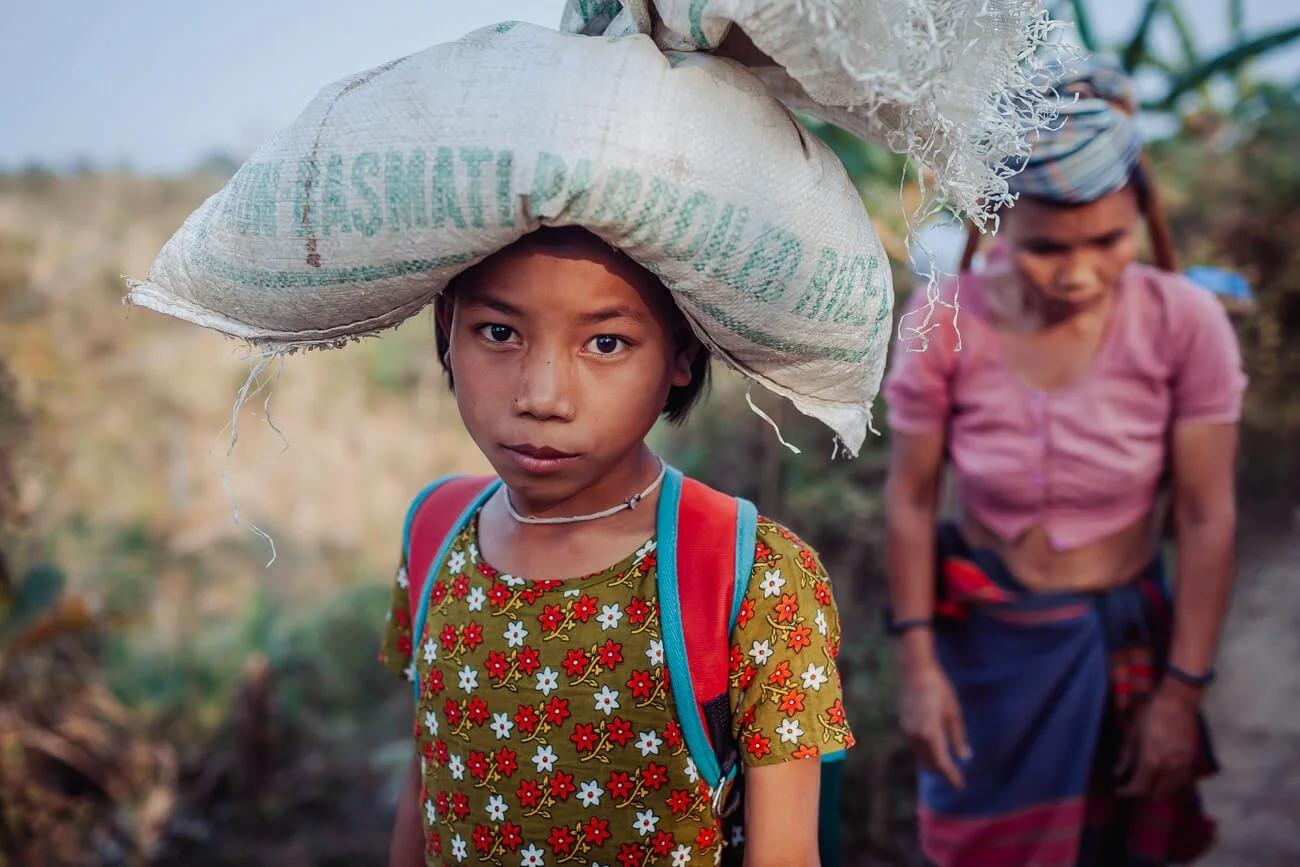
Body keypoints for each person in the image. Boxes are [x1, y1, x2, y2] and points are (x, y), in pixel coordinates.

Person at [380, 227, 854, 866]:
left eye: (606, 343)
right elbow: (427, 779)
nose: (542, 398)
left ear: (680, 354)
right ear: (448, 323)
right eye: (499, 332)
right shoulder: (435, 530)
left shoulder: (754, 575)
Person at [881, 61, 1246, 866]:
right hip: (987, 647)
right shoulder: (945, 320)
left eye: (1110, 241)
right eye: (1047, 248)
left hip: (1128, 648)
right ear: (1001, 219)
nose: (1079, 272)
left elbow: (1205, 515)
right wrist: (918, 666)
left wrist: (1181, 693)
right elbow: (911, 500)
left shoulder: (1185, 323)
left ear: (1142, 215)